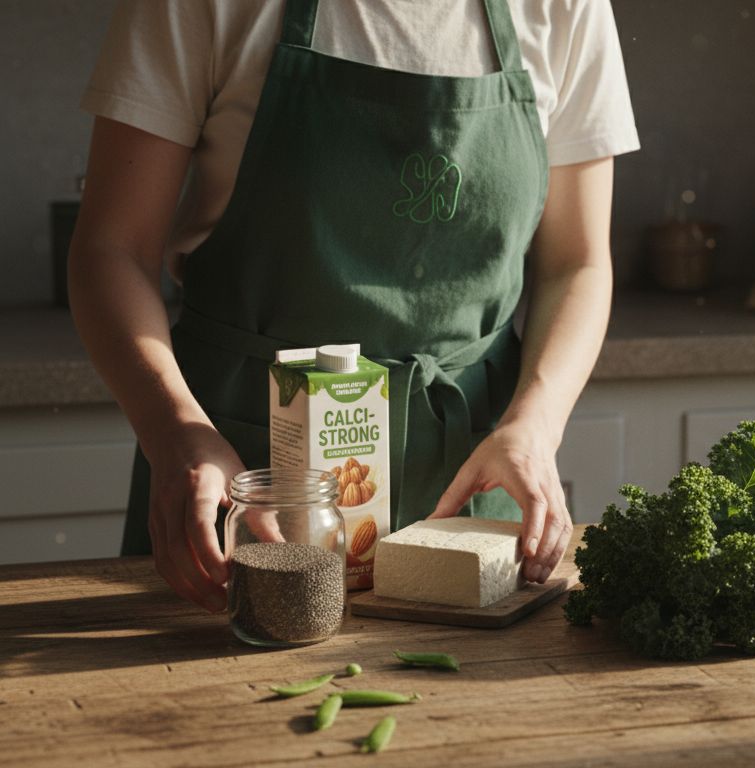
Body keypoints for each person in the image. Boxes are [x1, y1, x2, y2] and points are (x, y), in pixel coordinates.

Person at [68, 0, 638, 613]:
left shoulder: (567, 8)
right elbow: (112, 249)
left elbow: (576, 262)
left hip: (470, 484)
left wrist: (535, 427)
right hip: (243, 484)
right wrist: (174, 432)